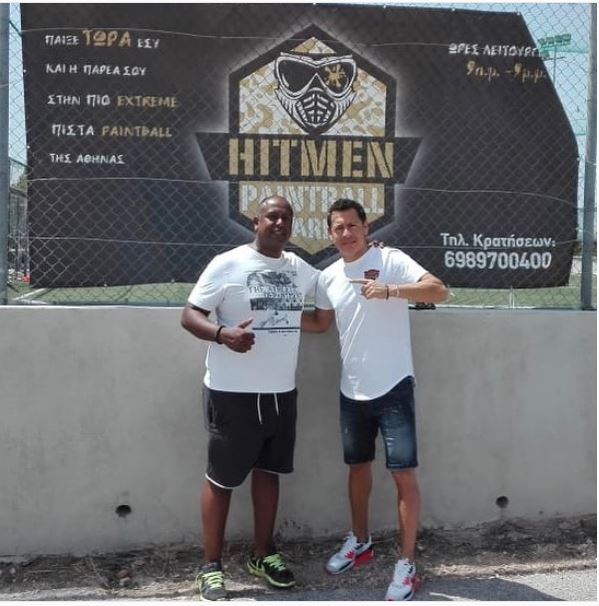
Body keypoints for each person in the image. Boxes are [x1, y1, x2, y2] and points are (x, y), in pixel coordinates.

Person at [301, 198, 448, 601]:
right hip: (352, 391)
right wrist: (272, 317)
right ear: (330, 234)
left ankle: (406, 563)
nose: (346, 233)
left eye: (353, 225)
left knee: (403, 476)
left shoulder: (391, 260)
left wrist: (390, 290)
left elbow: (439, 290)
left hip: (394, 387)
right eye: (338, 227)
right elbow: (320, 323)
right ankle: (360, 542)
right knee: (357, 468)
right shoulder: (328, 276)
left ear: (366, 228)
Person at [181, 195, 319, 601]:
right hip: (231, 393)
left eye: (286, 218)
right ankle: (210, 566)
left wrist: (367, 251)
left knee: (268, 473)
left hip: (280, 392)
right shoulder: (228, 263)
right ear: (255, 222)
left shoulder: (298, 268)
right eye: (272, 216)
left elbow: (335, 281)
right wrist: (222, 334)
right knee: (221, 480)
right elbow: (189, 315)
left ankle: (262, 555)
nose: (279, 223)